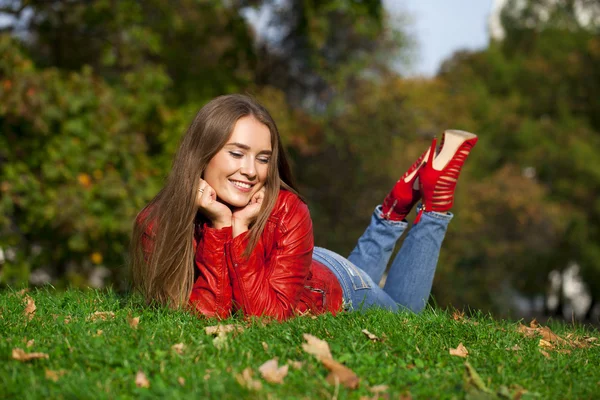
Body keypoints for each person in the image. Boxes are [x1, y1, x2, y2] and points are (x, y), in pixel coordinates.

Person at [130, 94, 477, 320]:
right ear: (201, 154)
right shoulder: (156, 224)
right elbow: (206, 315)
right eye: (236, 153)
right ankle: (394, 208)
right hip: (300, 266)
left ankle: (433, 206)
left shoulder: (286, 208)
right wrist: (221, 223)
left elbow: (266, 317)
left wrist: (231, 231)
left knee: (406, 319)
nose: (251, 171)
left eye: (263, 158)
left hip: (332, 284)